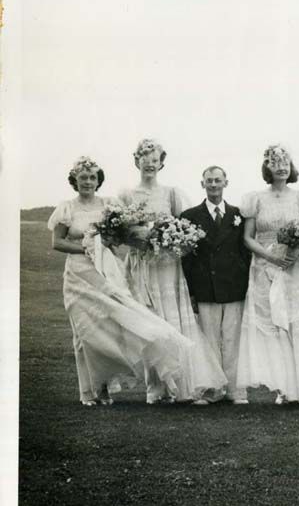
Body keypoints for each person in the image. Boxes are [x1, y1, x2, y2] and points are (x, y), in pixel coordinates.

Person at [48, 156, 192, 405]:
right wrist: (86, 248)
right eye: (83, 178)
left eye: (92, 178)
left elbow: (121, 236)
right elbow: (57, 242)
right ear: (75, 181)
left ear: (98, 181)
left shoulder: (109, 205)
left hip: (106, 273)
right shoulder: (67, 208)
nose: (88, 182)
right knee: (84, 332)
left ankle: (105, 387)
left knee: (109, 329)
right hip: (78, 275)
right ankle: (89, 392)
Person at [120, 138, 227, 404]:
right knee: (149, 323)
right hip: (142, 265)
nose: (150, 164)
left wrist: (172, 240)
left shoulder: (171, 194)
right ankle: (155, 387)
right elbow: (120, 233)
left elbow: (185, 229)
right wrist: (136, 238)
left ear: (161, 164)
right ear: (136, 162)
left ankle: (180, 384)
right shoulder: (126, 195)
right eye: (145, 160)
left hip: (168, 267)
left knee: (172, 321)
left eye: (154, 160)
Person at [236, 144, 299, 404]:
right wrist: (271, 257)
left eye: (285, 163)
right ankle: (284, 387)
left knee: (298, 322)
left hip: (295, 266)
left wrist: (296, 249)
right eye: (275, 163)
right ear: (267, 167)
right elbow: (248, 238)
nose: (281, 167)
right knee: (273, 323)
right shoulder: (255, 199)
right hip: (265, 267)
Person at [181, 165, 251, 404]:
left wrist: (245, 283)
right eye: (209, 181)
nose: (213, 185)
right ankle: (212, 389)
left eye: (217, 180)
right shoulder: (189, 216)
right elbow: (186, 258)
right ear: (203, 184)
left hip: (233, 286)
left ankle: (235, 389)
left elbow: (245, 252)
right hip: (205, 287)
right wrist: (190, 291)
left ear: (225, 183)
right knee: (209, 340)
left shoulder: (238, 214)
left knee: (233, 340)